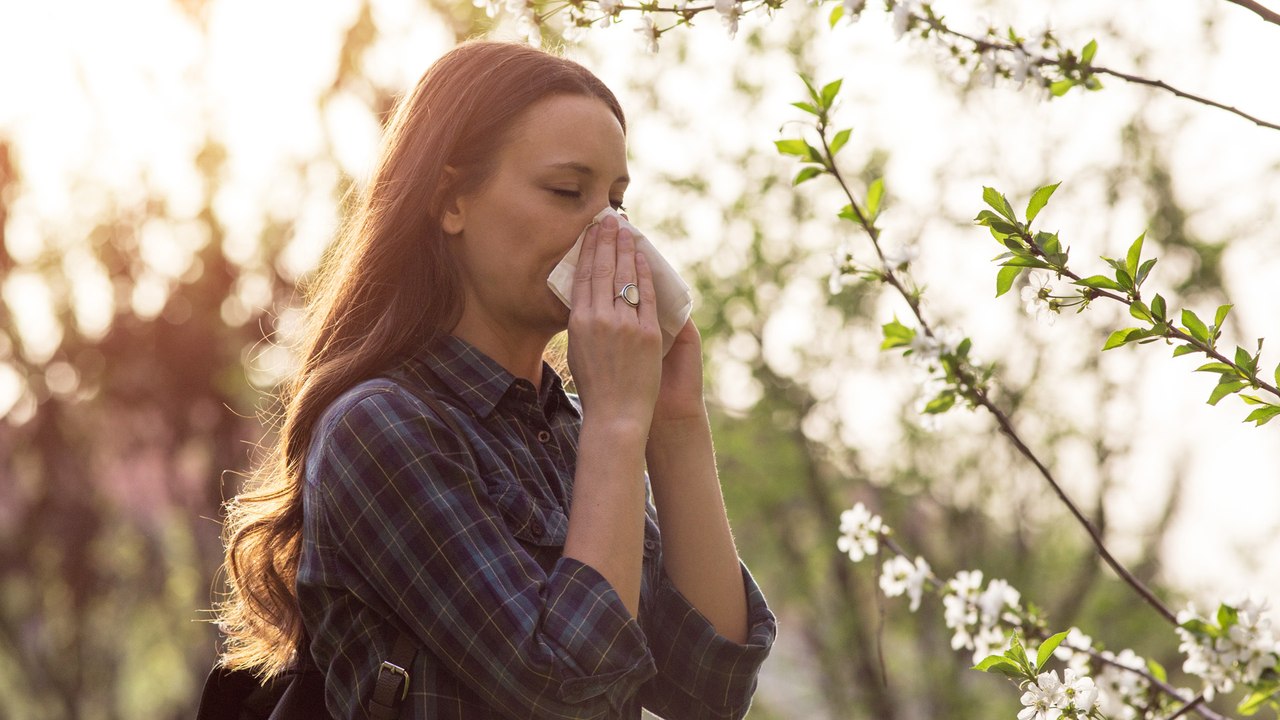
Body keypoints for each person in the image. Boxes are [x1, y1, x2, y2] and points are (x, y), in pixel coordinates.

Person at [214, 40, 776, 719]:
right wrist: (618, 424)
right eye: (568, 192)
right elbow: (562, 689)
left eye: (617, 201)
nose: (609, 233)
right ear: (451, 200)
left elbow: (710, 689)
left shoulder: (577, 432)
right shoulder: (382, 427)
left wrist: (676, 426)